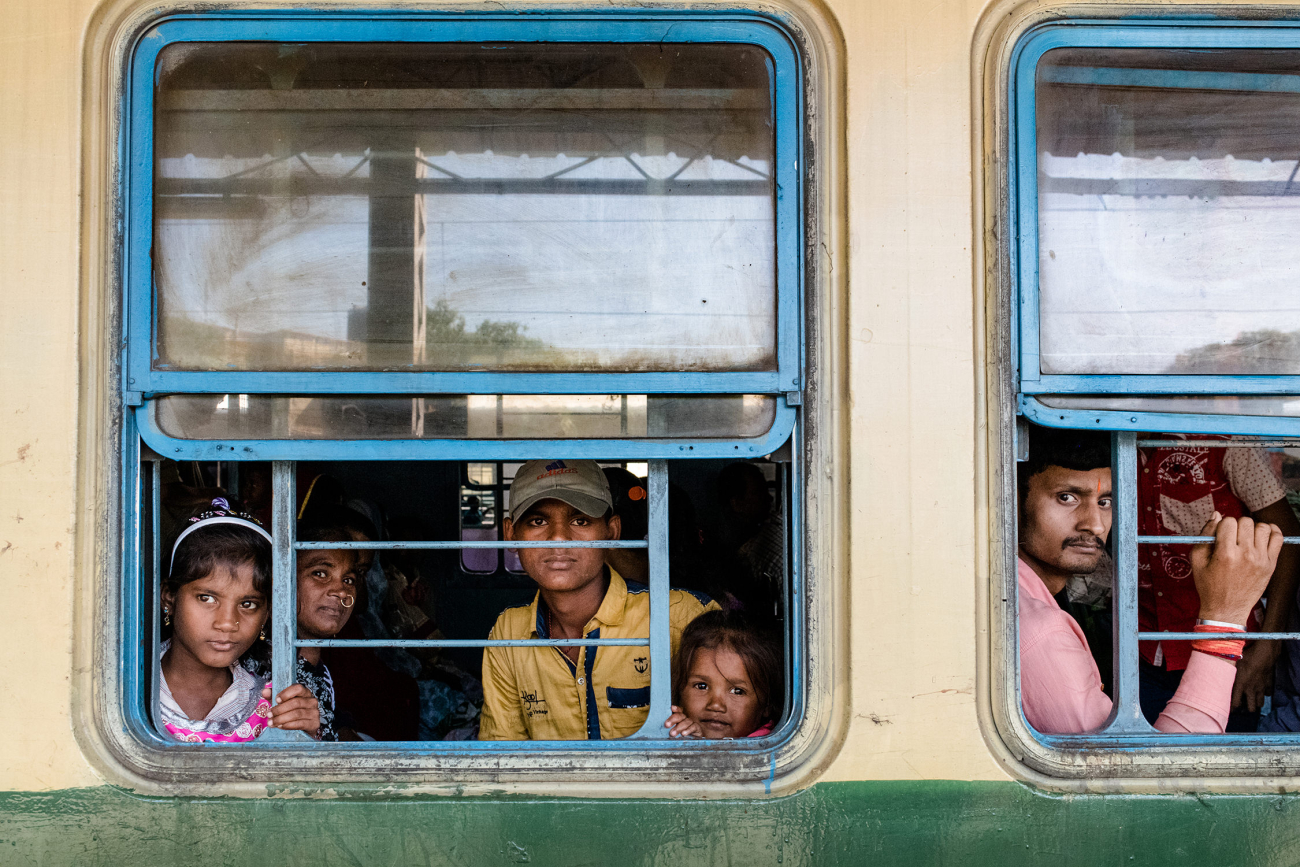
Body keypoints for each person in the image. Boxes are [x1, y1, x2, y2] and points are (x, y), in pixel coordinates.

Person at [1017, 426, 1282, 734]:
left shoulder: (1225, 444)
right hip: (1146, 653)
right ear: (1014, 502)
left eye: (1106, 502)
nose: (1095, 525)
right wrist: (1223, 622)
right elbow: (1159, 773)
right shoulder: (1042, 633)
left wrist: (1267, 645)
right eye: (1067, 497)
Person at [479, 459, 719, 740]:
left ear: (612, 532)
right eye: (538, 521)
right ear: (510, 535)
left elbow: (732, 730)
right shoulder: (509, 633)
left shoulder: (680, 614)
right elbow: (505, 753)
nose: (558, 538)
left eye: (580, 520)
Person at [1137, 435, 1300, 730]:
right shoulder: (1102, 442)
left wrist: (1269, 644)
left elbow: (1288, 540)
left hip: (1233, 656)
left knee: (1222, 765)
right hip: (1139, 652)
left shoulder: (1228, 444)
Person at [158, 500, 320, 742]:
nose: (227, 623)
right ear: (169, 598)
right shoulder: (125, 692)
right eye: (207, 598)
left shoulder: (272, 705)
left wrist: (304, 737)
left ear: (266, 613)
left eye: (248, 604)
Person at [242, 510, 365, 742]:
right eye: (320, 573)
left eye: (348, 580)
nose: (341, 591)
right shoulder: (265, 668)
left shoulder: (317, 668)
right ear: (282, 578)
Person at [663, 609, 780, 739]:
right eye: (701, 686)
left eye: (737, 691)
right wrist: (692, 742)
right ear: (679, 688)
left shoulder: (772, 749)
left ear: (766, 705)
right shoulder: (671, 733)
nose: (716, 705)